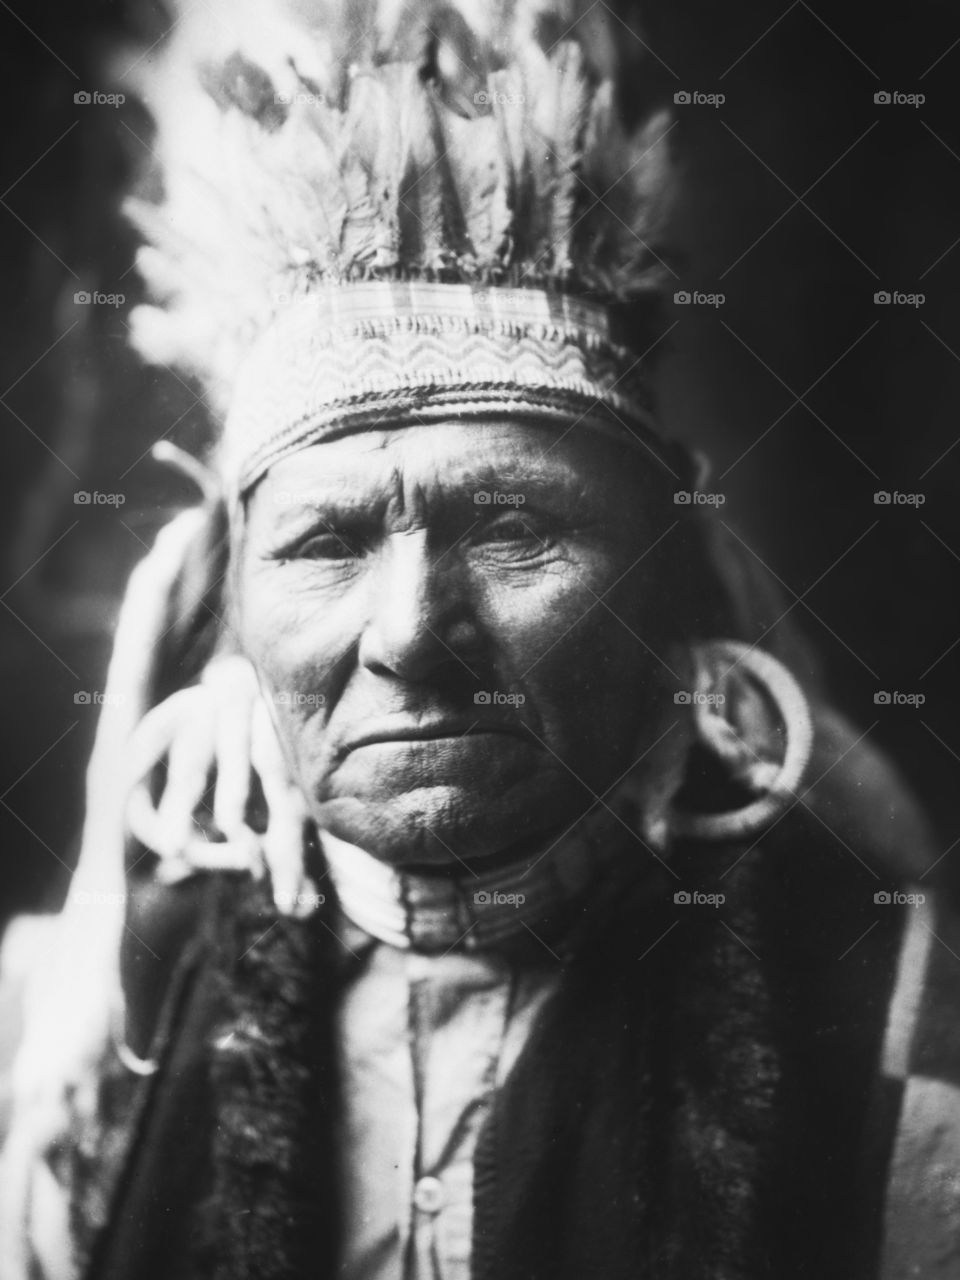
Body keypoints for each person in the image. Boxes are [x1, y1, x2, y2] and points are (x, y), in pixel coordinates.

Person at [0, 3, 942, 1278]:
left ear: (669, 572)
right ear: (234, 600)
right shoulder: (85, 1048)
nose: (408, 637)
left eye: (510, 528)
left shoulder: (896, 1042)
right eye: (323, 544)